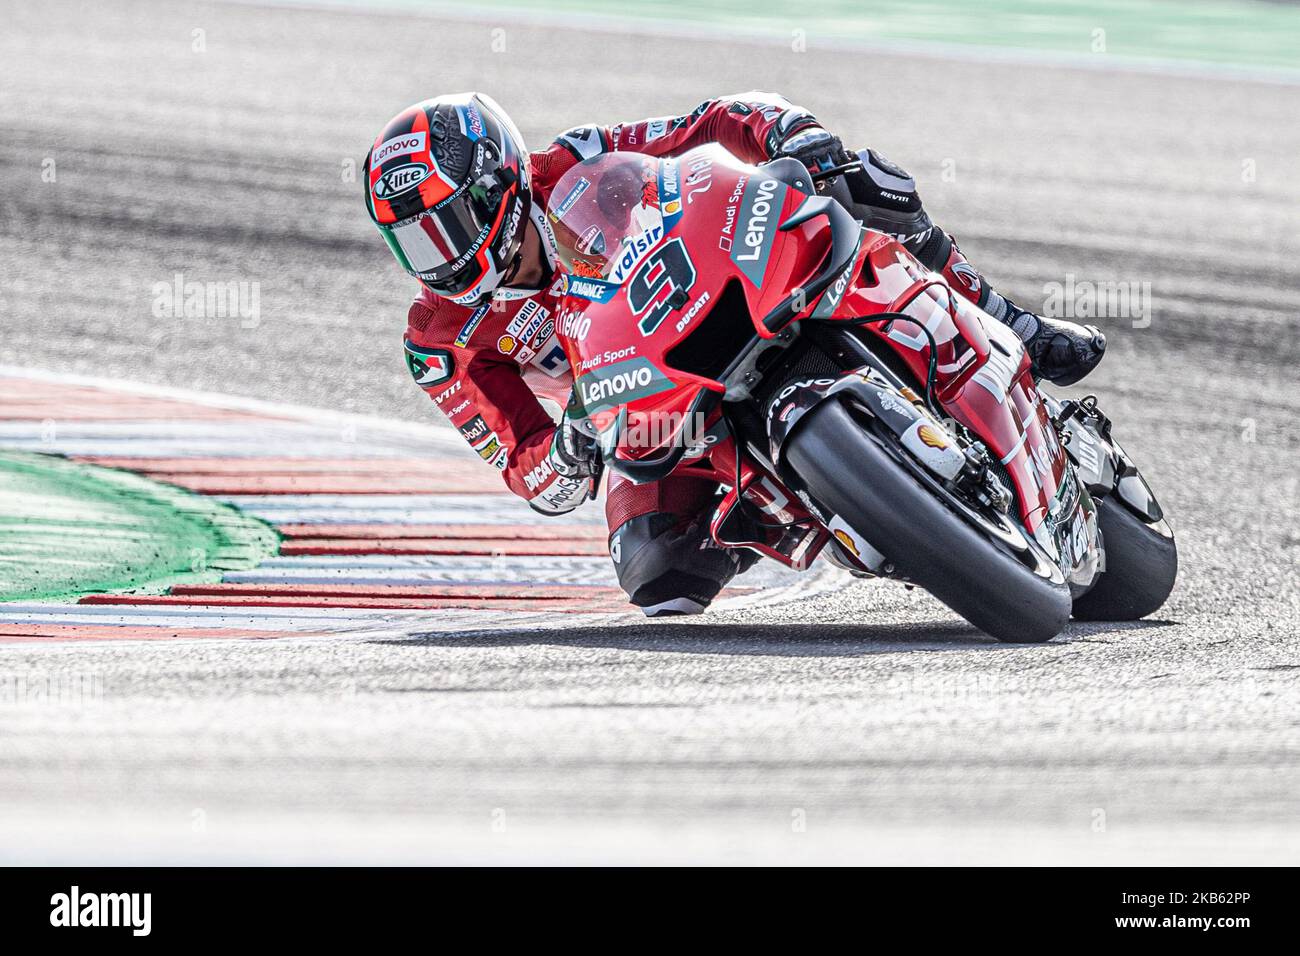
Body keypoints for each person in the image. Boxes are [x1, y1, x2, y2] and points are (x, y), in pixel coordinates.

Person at [363, 92, 1106, 616]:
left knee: (859, 179)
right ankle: (815, 512)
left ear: (499, 185)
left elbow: (714, 120)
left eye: (450, 224)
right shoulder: (439, 340)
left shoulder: (578, 160)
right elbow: (533, 478)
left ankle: (1007, 319)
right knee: (656, 573)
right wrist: (573, 440)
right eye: (416, 242)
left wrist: (789, 135)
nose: (444, 258)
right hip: (653, 418)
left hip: (723, 293)